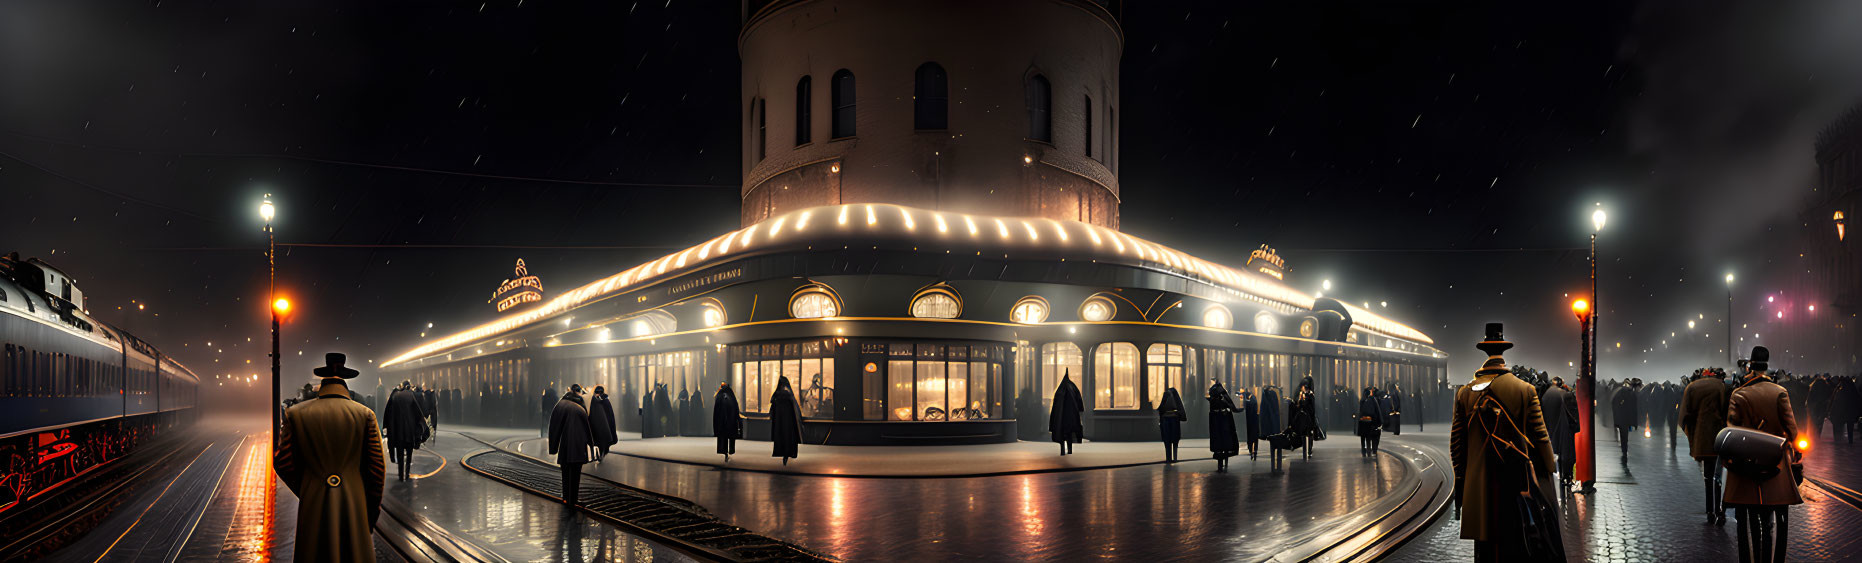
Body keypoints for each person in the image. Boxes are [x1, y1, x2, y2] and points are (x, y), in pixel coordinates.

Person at [1450, 324, 1559, 562]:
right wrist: (1549, 470)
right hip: (1515, 482)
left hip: (1478, 488)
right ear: (1503, 354)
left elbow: (1457, 445)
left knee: (1484, 550)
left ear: (1485, 354)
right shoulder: (1525, 390)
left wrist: (1461, 480)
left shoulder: (1465, 393)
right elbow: (1541, 437)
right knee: (1515, 545)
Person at [274, 353, 386, 562]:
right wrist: (368, 514)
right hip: (353, 501)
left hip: (313, 503)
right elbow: (376, 472)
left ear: (322, 383)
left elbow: (282, 462)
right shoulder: (365, 415)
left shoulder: (296, 414)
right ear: (345, 383)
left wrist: (309, 487)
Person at [1723, 347, 1802, 563]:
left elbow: (1732, 430)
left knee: (1745, 520)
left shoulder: (1739, 394)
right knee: (1771, 521)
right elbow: (1792, 431)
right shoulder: (1779, 392)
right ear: (1767, 363)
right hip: (1774, 466)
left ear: (1750, 364)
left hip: (1745, 468)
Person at [1682, 366, 1731, 525]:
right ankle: (1720, 511)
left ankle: (1710, 510)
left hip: (1702, 439)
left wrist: (1693, 437)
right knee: (1718, 476)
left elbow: (1686, 416)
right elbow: (1727, 412)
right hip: (1720, 437)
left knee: (1707, 476)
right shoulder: (1723, 388)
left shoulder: (1693, 388)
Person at [547, 384, 595, 506]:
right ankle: (573, 499)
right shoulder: (581, 408)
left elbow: (554, 427)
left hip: (566, 446)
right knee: (576, 474)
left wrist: (553, 447)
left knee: (565, 473)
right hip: (579, 446)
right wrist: (591, 444)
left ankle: (566, 497)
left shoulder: (561, 405)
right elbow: (587, 428)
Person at [383, 380, 428, 481]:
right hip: (409, 431)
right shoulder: (411, 396)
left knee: (399, 453)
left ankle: (400, 475)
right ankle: (407, 474)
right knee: (409, 453)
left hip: (397, 431)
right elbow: (418, 413)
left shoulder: (394, 396)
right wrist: (422, 429)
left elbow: (388, 413)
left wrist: (386, 427)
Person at [1540, 377, 1578, 489]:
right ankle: (1566, 476)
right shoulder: (1564, 394)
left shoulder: (1546, 394)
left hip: (1549, 427)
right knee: (1565, 453)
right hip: (1561, 427)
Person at [768, 376, 805, 465]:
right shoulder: (789, 396)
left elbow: (772, 410)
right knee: (788, 438)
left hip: (779, 424)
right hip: (789, 423)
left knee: (781, 438)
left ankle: (783, 455)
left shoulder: (776, 395)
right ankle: (787, 455)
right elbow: (796, 411)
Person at [1207, 381, 1240, 472]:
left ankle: (1221, 464)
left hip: (1218, 424)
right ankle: (1224, 463)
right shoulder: (1222, 400)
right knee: (1225, 444)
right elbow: (1231, 406)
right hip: (1224, 423)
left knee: (1220, 444)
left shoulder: (1213, 400)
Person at [1049, 372, 1085, 455]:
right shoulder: (1073, 388)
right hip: (1070, 417)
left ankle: (1062, 451)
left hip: (1061, 417)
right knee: (1069, 434)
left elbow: (1055, 406)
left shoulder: (1059, 391)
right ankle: (1069, 450)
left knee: (1062, 434)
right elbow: (1079, 402)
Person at [713, 382, 743, 462]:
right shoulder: (731, 395)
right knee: (730, 436)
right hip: (731, 421)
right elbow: (736, 408)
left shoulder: (719, 395)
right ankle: (730, 450)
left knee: (724, 437)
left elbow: (716, 411)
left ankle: (725, 451)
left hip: (722, 422)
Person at [1611, 379, 1641, 457]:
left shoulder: (1621, 393)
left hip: (1621, 418)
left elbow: (1614, 404)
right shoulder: (1631, 394)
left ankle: (1624, 449)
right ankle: (1624, 450)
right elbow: (1634, 409)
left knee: (1623, 434)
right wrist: (1635, 423)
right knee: (1625, 435)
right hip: (1625, 418)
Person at [1157, 386, 1187, 462]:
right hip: (1174, 420)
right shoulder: (1175, 395)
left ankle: (1168, 458)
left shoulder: (1166, 395)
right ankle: (1175, 458)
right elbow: (1180, 407)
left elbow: (1161, 408)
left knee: (1167, 442)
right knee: (1175, 440)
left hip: (1166, 420)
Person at [589, 385, 618, 461]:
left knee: (599, 441)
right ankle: (601, 454)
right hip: (604, 426)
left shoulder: (595, 401)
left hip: (599, 426)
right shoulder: (605, 401)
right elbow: (611, 416)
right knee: (602, 441)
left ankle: (600, 454)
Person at [1357, 386, 1385, 457]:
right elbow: (1377, 411)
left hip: (1363, 421)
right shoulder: (1373, 400)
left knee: (1364, 437)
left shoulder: (1362, 400)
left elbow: (1360, 412)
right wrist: (1380, 421)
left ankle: (1364, 449)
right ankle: (1371, 450)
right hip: (1372, 421)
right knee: (1370, 436)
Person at [1240, 387, 1260, 460]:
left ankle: (1251, 450)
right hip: (1254, 419)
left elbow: (1247, 407)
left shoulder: (1250, 399)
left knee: (1251, 436)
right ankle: (1254, 451)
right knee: (1254, 437)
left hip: (1250, 420)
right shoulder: (1253, 398)